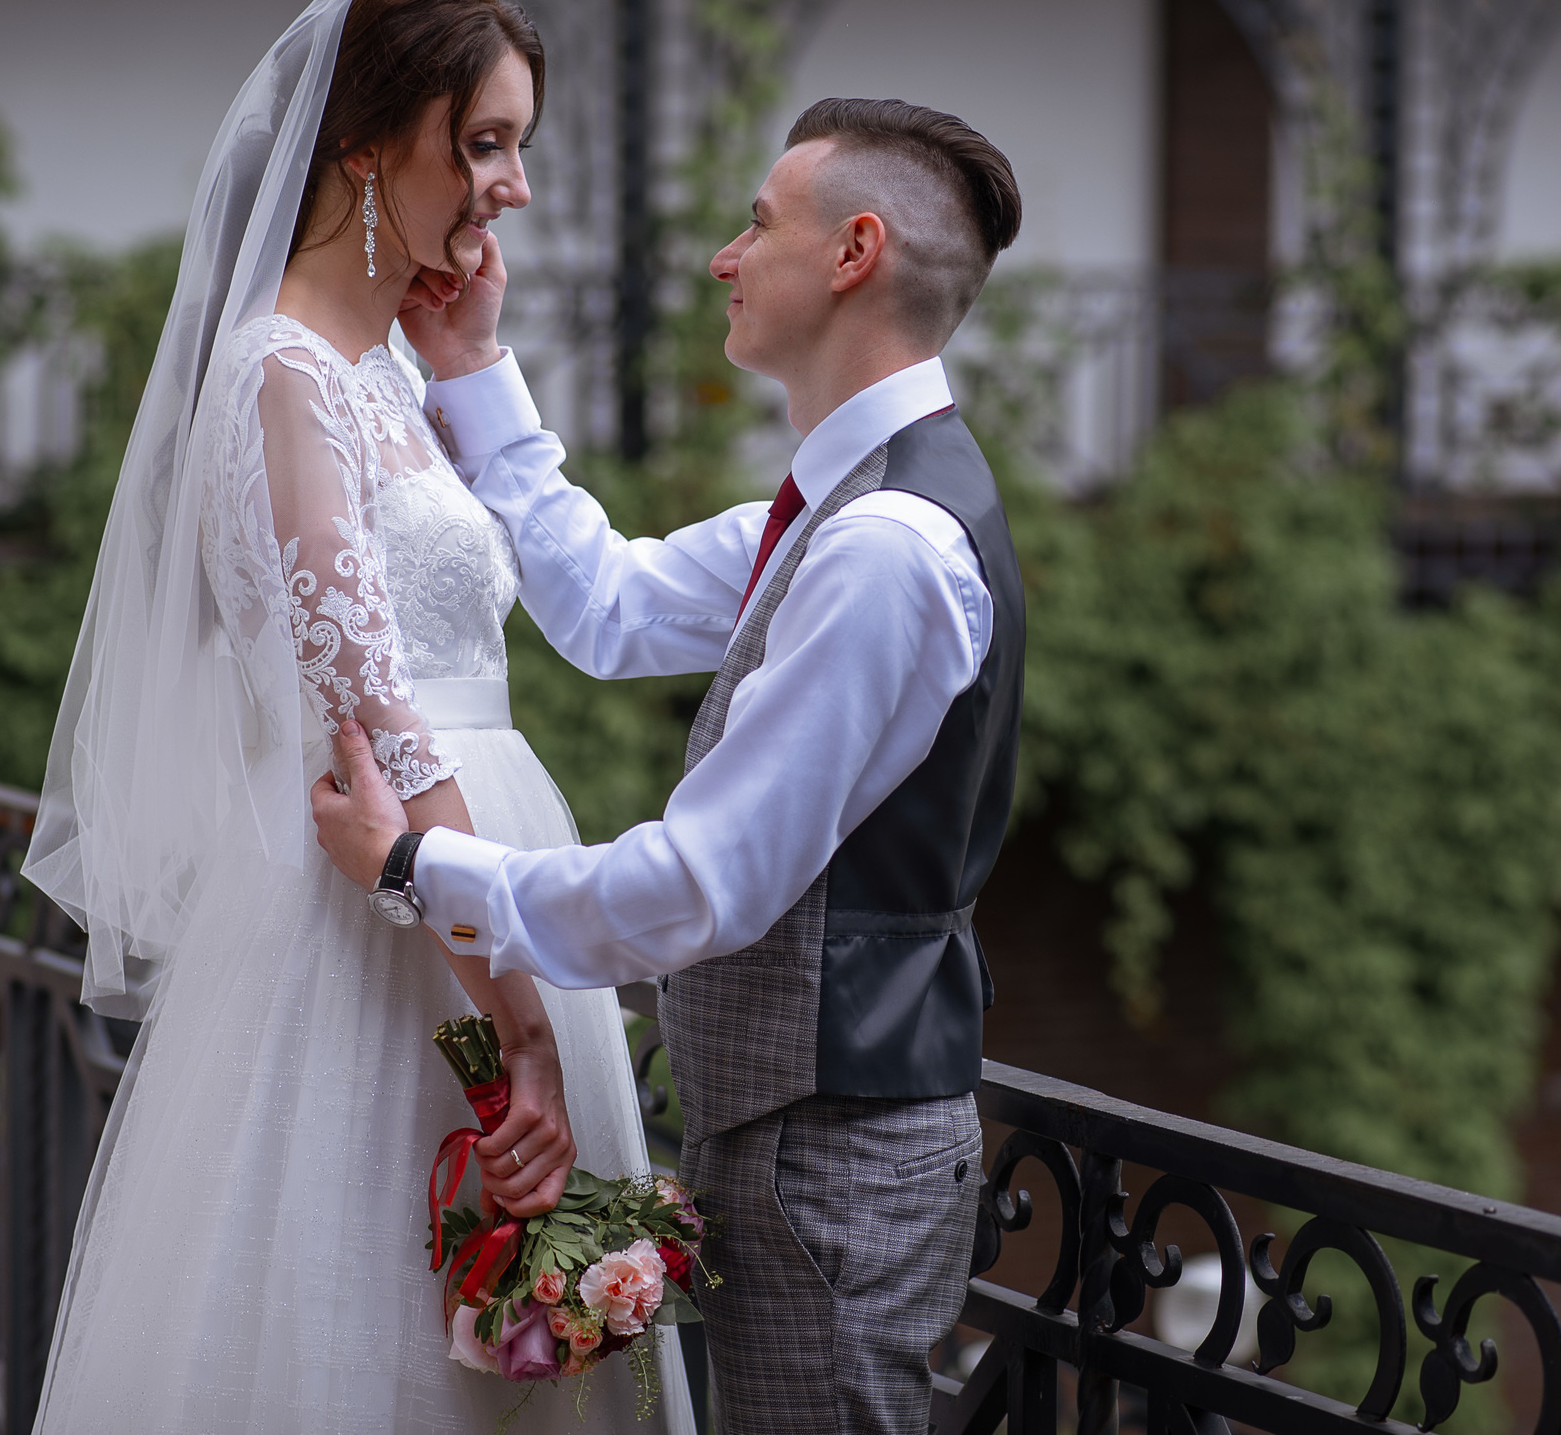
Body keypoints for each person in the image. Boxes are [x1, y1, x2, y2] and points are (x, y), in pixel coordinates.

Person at [20, 0, 692, 1431]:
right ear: (367, 141)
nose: (513, 186)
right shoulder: (282, 374)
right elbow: (380, 724)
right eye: (488, 142)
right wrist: (515, 1019)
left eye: (522, 145)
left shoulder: (380, 365)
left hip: (461, 891)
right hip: (395, 924)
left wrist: (468, 363)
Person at [314, 97, 1027, 1435]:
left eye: (758, 223)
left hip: (836, 1167)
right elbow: (613, 606)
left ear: (854, 251)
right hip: (805, 1144)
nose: (724, 255)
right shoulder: (842, 506)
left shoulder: (885, 545)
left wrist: (418, 864)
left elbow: (706, 881)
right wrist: (473, 367)